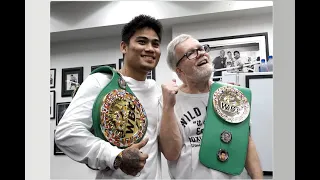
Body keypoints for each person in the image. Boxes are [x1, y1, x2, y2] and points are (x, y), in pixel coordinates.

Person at [55, 14, 163, 179]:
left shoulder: (158, 91)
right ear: (124, 47)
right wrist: (116, 156)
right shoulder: (101, 81)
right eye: (142, 42)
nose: (150, 48)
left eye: (155, 44)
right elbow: (66, 132)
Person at [159, 34, 263, 179]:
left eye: (201, 48)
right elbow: (171, 153)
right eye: (190, 53)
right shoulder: (169, 101)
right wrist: (168, 107)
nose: (201, 53)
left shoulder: (230, 94)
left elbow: (246, 141)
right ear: (179, 71)